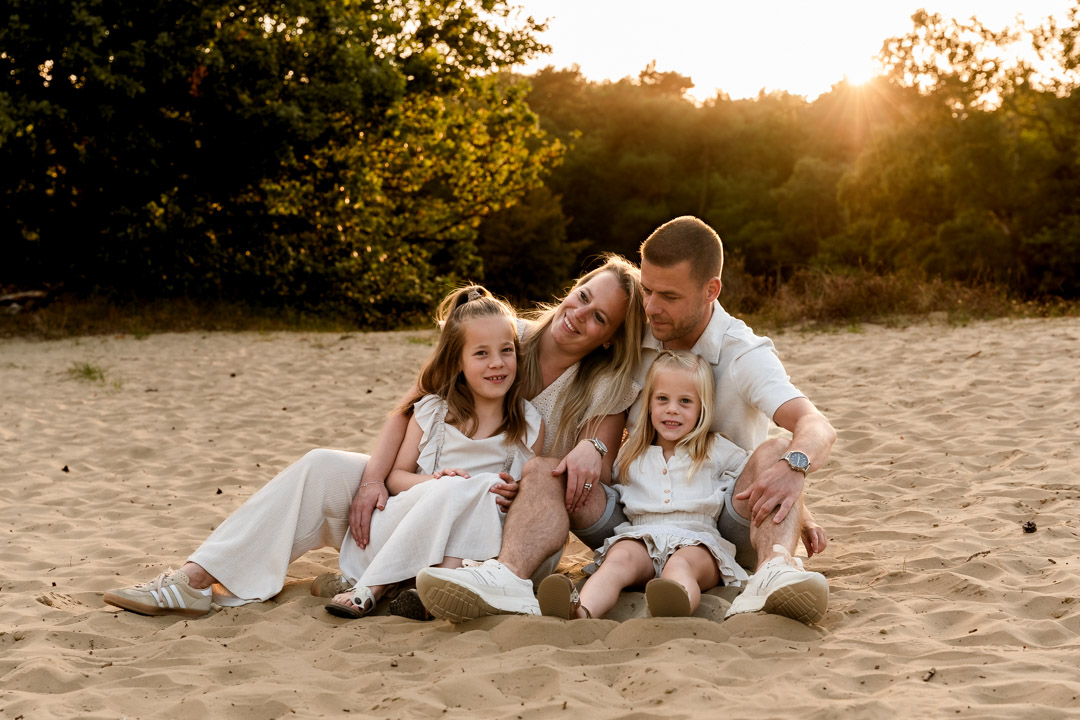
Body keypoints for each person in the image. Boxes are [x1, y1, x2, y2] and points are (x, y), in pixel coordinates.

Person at [103, 256, 644, 618]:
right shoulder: (503, 333)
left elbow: (597, 449)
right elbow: (411, 411)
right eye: (581, 296)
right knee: (321, 465)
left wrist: (588, 448)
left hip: (500, 523)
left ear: (609, 338)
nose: (578, 316)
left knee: (469, 490)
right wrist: (371, 482)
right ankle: (195, 580)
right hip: (430, 489)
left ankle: (406, 585)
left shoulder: (600, 385)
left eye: (599, 318)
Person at [417, 216, 835, 625]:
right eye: (647, 290)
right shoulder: (641, 331)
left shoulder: (745, 355)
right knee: (544, 470)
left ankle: (775, 570)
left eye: (668, 296)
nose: (651, 307)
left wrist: (793, 476)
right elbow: (546, 333)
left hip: (725, 518)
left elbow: (815, 426)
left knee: (780, 447)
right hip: (635, 515)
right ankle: (505, 578)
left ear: (711, 290)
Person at [321, 286, 545, 618]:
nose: (497, 363)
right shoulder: (432, 412)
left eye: (506, 350)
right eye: (481, 353)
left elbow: (529, 492)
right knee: (458, 485)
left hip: (480, 544)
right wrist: (436, 482)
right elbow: (395, 479)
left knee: (484, 488)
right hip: (411, 521)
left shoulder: (529, 423)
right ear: (458, 361)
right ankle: (376, 585)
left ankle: (430, 584)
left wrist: (513, 492)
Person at [537, 350, 751, 620]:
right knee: (617, 561)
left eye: (685, 401)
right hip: (641, 537)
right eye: (662, 399)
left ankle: (674, 602)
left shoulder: (716, 449)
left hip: (699, 541)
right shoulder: (629, 454)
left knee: (680, 565)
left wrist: (804, 517)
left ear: (702, 408)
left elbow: (760, 475)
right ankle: (582, 610)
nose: (672, 409)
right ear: (649, 404)